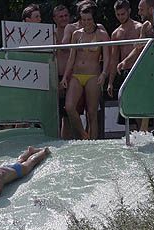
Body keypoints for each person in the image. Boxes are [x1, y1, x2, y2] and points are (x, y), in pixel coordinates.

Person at [60, 1, 110, 140]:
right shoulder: (76, 34)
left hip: (93, 75)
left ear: (94, 19)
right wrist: (65, 77)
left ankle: (92, 142)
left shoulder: (102, 34)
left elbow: (107, 57)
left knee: (92, 113)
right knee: (69, 107)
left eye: (89, 19)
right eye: (83, 20)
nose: (86, 22)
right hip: (76, 74)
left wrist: (104, 74)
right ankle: (83, 135)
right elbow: (71, 58)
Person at [117, 0, 154, 131]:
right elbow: (138, 47)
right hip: (148, 70)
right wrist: (125, 61)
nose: (139, 12)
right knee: (139, 98)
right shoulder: (145, 26)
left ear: (151, 10)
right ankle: (143, 132)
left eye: (141, 9)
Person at [106, 0, 142, 128]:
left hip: (138, 69)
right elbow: (114, 58)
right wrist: (110, 82)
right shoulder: (116, 33)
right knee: (127, 106)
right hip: (124, 71)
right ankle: (134, 135)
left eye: (123, 14)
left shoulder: (139, 28)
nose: (120, 17)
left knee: (140, 104)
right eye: (118, 14)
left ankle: (144, 132)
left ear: (129, 12)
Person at [53, 5, 72, 139]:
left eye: (66, 15)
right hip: (54, 76)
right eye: (60, 16)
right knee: (55, 112)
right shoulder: (48, 34)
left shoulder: (75, 31)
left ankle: (68, 140)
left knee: (68, 113)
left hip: (71, 76)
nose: (64, 18)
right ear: (54, 19)